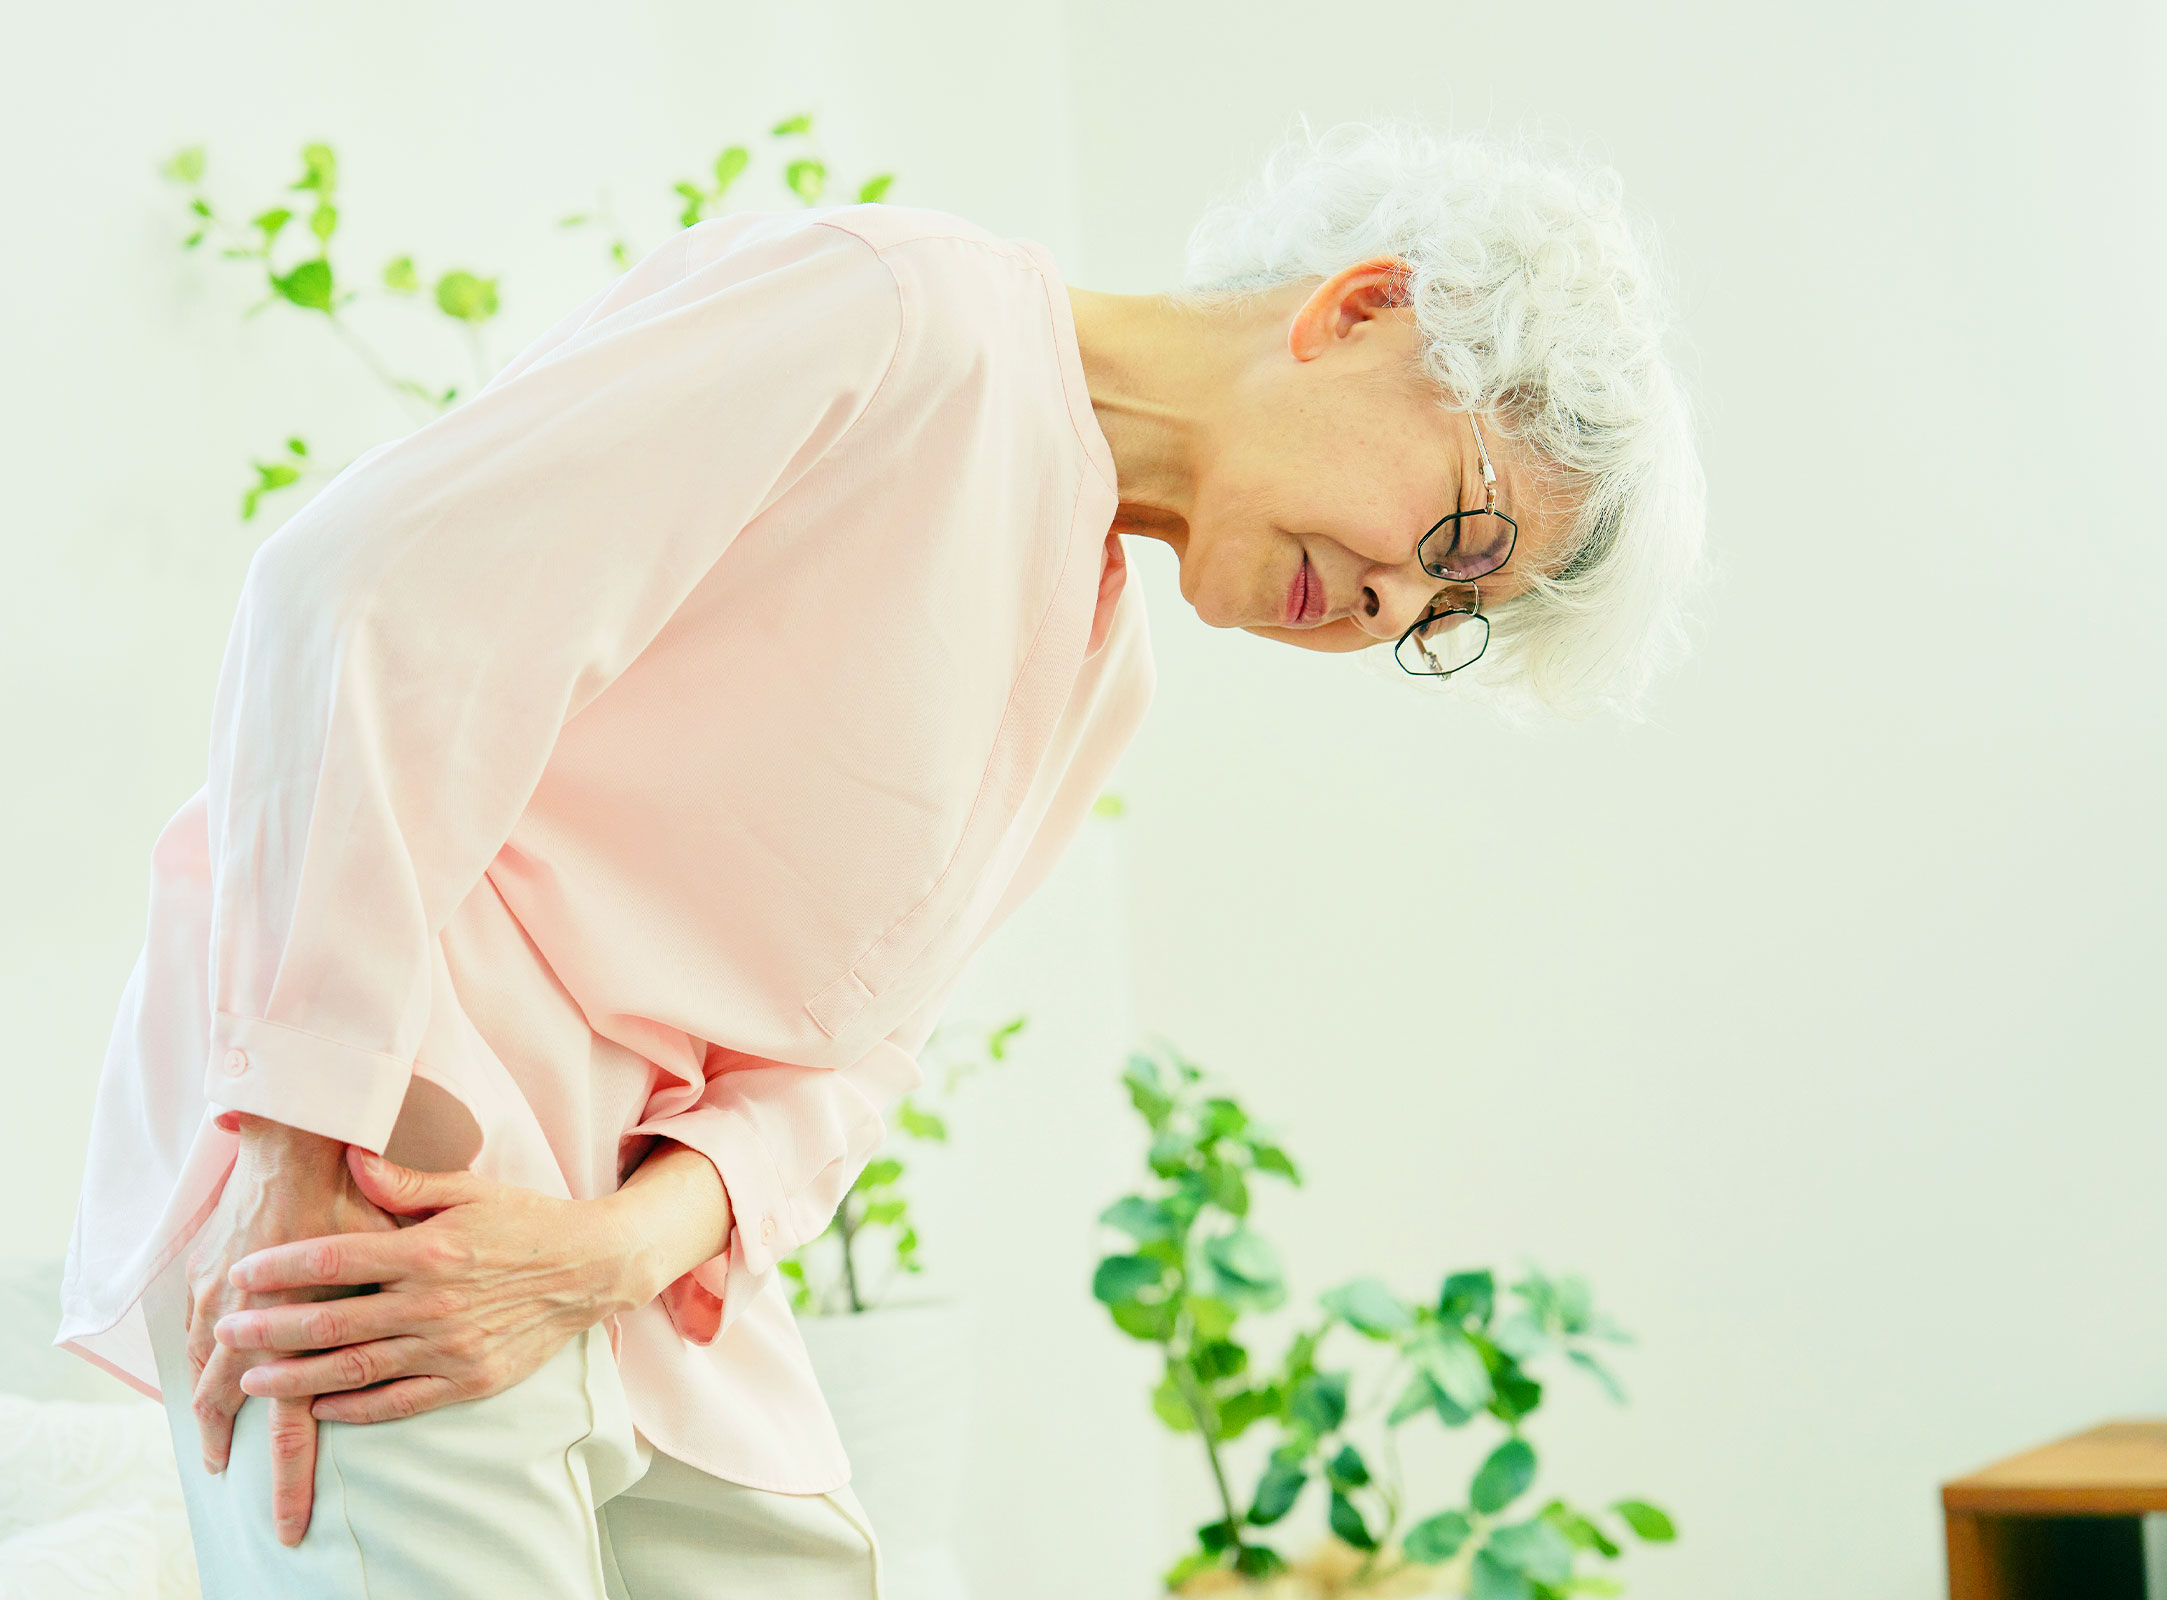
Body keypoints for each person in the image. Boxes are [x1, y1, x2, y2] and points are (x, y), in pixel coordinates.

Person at [56, 121, 1706, 1597]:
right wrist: (292, 1136)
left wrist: (622, 1249)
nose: (1399, 605)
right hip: (391, 1134)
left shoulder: (1101, 679)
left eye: (1451, 615)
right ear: (1361, 311)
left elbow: (850, 1053)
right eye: (1462, 531)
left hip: (626, 1256)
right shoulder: (899, 316)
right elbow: (361, 595)